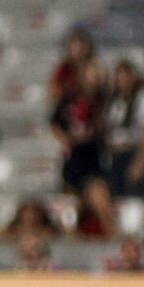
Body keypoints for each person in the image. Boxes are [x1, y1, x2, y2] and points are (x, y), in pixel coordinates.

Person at [50, 58, 107, 192]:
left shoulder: (104, 99)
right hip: (74, 152)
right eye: (90, 75)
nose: (93, 79)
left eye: (96, 75)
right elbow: (55, 123)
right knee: (71, 187)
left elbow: (106, 125)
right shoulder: (69, 98)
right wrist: (65, 140)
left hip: (95, 151)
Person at [105, 60, 144, 197]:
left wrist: (140, 162)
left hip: (134, 152)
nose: (123, 81)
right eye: (119, 77)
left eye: (126, 76)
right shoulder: (115, 98)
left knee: (134, 198)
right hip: (115, 155)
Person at [49, 29, 97, 104]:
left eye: (79, 47)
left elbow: (92, 90)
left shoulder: (93, 66)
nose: (76, 51)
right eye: (73, 47)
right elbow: (53, 92)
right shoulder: (63, 67)